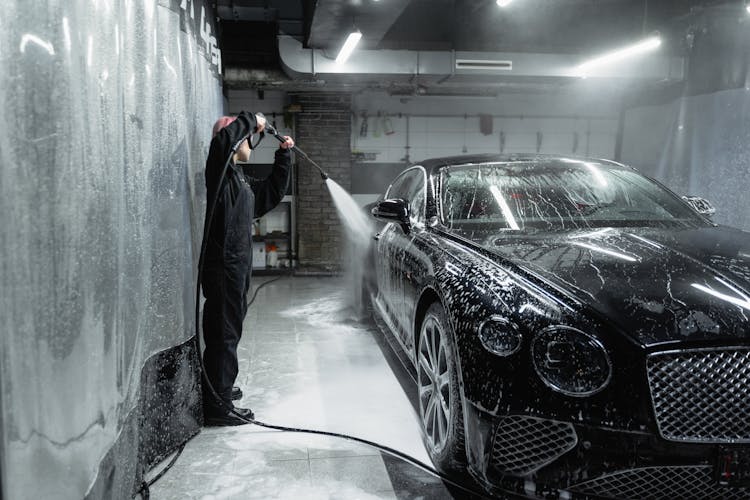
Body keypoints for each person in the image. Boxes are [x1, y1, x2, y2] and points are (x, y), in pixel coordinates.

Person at [201, 111, 294, 426]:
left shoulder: (238, 179)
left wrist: (284, 157)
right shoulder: (219, 170)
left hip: (236, 268)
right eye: (247, 139)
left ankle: (218, 387)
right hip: (224, 267)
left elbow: (270, 193)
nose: (251, 144)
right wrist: (249, 119)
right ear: (236, 139)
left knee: (228, 331)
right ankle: (219, 406)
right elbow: (223, 141)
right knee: (224, 333)